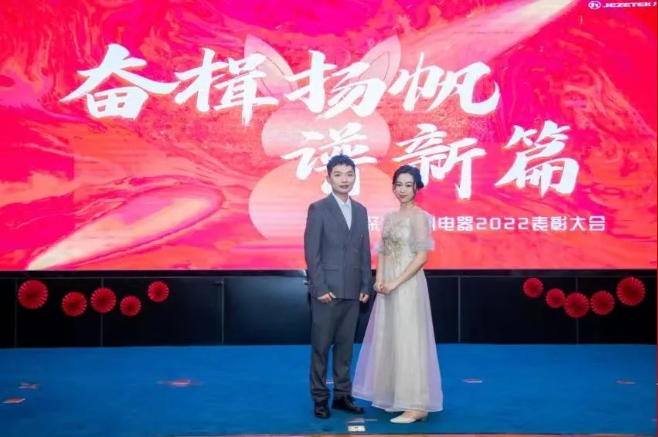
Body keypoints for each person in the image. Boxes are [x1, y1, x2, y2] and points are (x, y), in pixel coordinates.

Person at [353, 164, 443, 424]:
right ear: (393, 187)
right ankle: (396, 396)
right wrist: (380, 280)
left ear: (417, 188)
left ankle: (416, 405)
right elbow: (382, 251)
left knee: (409, 340)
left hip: (408, 284)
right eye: (399, 184)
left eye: (408, 185)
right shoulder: (390, 216)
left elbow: (422, 257)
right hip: (388, 285)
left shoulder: (420, 217)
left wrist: (395, 282)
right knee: (390, 337)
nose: (402, 189)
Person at [303, 154, 373, 419]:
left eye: (349, 174)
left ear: (355, 177)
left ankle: (343, 395)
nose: (345, 180)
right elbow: (312, 253)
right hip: (327, 292)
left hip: (353, 290)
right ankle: (320, 398)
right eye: (338, 174)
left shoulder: (361, 210)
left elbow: (364, 251)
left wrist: (366, 283)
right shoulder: (318, 209)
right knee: (321, 348)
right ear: (328, 178)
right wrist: (319, 287)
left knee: (345, 348)